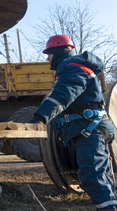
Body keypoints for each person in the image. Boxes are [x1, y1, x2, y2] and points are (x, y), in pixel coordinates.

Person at [30, 35, 117, 211]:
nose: (47, 58)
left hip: (89, 128)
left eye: (49, 53)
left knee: (92, 175)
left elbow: (63, 95)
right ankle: (110, 204)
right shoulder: (73, 66)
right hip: (89, 127)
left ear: (58, 51)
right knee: (98, 173)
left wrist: (39, 118)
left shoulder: (72, 68)